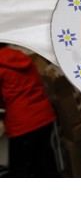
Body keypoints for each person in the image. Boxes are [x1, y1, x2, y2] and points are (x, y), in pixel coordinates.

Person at [0, 43, 57, 177]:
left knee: (20, 171)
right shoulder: (20, 56)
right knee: (44, 165)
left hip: (23, 123)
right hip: (44, 116)